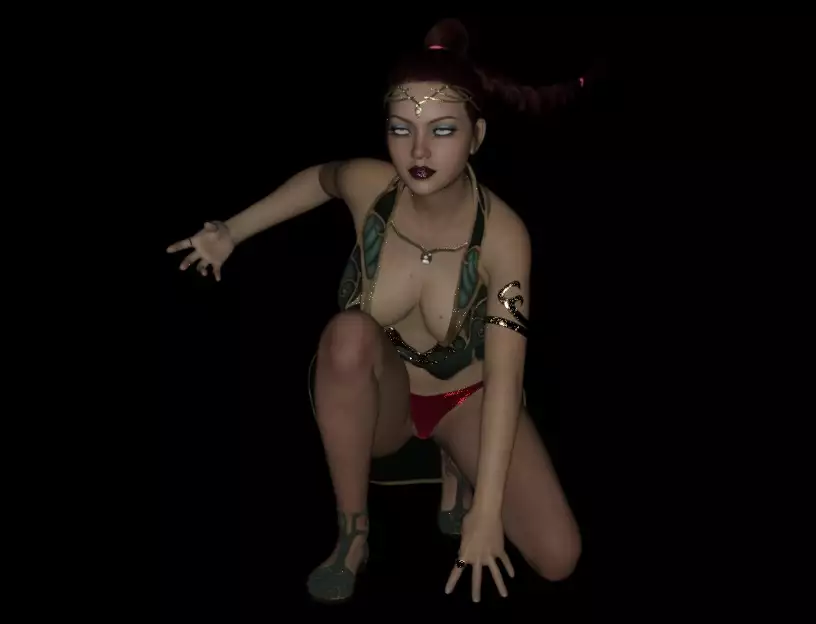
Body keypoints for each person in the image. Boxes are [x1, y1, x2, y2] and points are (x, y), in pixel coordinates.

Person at [167, 18, 588, 604]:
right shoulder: (372, 187)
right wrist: (231, 232)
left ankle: (460, 467)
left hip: (467, 399)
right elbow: (320, 181)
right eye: (400, 129)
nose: (418, 151)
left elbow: (506, 375)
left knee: (558, 556)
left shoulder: (505, 237)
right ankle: (353, 533)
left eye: (442, 130)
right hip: (385, 396)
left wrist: (488, 513)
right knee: (347, 335)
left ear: (477, 136)